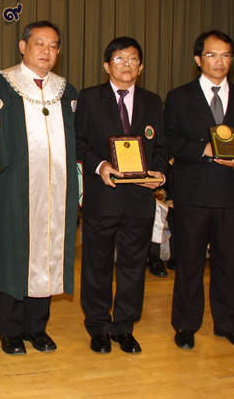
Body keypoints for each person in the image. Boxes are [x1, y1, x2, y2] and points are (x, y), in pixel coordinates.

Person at [0, 21, 78, 355]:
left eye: (53, 45)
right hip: (12, 189)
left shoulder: (66, 91)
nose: (46, 51)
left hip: (56, 192)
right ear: (23, 46)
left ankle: (36, 327)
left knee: (47, 255)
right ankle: (9, 329)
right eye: (40, 43)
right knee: (11, 256)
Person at [163, 30, 234, 350]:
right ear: (198, 59)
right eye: (212, 55)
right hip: (192, 194)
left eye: (226, 55)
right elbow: (169, 140)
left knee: (227, 264)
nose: (220, 61)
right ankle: (186, 325)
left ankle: (228, 325)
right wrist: (203, 149)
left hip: (229, 193)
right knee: (188, 263)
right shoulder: (179, 97)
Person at [75, 36, 169, 355]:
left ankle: (124, 327)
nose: (126, 65)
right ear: (106, 65)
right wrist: (100, 165)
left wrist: (159, 174)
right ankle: (99, 327)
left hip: (140, 201)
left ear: (141, 67)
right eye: (119, 59)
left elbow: (162, 146)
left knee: (132, 268)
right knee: (97, 267)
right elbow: (78, 142)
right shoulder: (89, 98)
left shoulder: (153, 102)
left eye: (132, 60)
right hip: (103, 197)